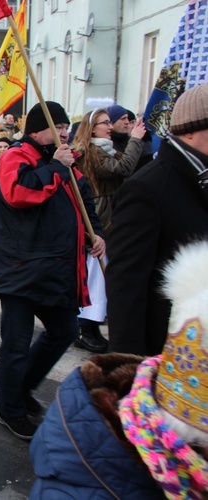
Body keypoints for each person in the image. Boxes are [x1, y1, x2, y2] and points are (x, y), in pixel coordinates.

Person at [30, 240, 208, 499]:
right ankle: (14, 401)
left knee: (63, 329)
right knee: (26, 339)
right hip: (30, 266)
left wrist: (95, 234)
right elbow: (126, 275)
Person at [0, 101, 104, 441]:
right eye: (58, 125)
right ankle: (10, 410)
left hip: (54, 270)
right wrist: (55, 166)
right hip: (20, 269)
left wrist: (95, 235)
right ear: (37, 129)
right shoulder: (17, 156)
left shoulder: (63, 159)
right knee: (16, 345)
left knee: (65, 331)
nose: (65, 131)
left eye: (67, 125)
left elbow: (83, 203)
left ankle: (21, 388)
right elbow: (17, 193)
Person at [107, 83, 208, 356]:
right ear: (189, 130)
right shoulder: (147, 188)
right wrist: (127, 364)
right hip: (168, 354)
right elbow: (126, 285)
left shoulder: (201, 177)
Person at [70, 108, 146, 353]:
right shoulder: (90, 151)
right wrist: (135, 139)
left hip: (108, 216)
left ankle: (91, 328)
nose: (110, 127)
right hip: (98, 218)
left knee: (101, 277)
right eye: (105, 123)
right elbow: (122, 168)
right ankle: (84, 329)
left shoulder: (104, 147)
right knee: (94, 276)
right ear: (92, 128)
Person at [107, 104, 153, 170]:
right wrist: (136, 138)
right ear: (111, 122)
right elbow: (123, 168)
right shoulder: (106, 144)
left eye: (128, 119)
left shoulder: (128, 140)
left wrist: (145, 140)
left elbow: (147, 167)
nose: (127, 122)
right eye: (123, 119)